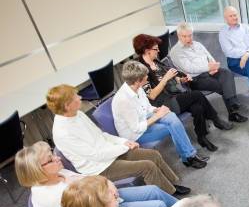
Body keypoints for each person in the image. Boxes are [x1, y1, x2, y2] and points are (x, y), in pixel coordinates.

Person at [48, 84, 189, 196]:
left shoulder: (76, 114)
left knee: (153, 155)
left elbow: (101, 135)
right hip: (99, 168)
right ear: (67, 105)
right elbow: (96, 155)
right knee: (147, 166)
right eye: (75, 97)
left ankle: (171, 185)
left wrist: (123, 142)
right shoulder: (63, 132)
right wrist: (124, 148)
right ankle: (168, 193)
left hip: (111, 152)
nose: (79, 97)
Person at [15, 141, 178, 207]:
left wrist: (108, 185)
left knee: (153, 190)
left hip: (103, 198)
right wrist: (109, 193)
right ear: (37, 170)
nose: (58, 159)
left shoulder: (57, 173)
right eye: (51, 159)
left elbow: (88, 179)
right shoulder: (52, 196)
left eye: (53, 154)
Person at [134, 34, 232, 152]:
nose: (158, 50)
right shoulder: (140, 69)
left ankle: (202, 137)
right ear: (146, 51)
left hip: (174, 95)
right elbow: (151, 95)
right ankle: (215, 119)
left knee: (198, 108)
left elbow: (172, 78)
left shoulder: (156, 62)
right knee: (197, 94)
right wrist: (166, 78)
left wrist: (181, 79)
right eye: (155, 48)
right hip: (163, 104)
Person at [112, 61, 208, 167]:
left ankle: (188, 156)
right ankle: (189, 156)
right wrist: (158, 115)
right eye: (145, 77)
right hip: (136, 134)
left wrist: (156, 110)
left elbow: (147, 107)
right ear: (137, 81)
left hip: (144, 118)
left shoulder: (136, 87)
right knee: (173, 126)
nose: (147, 78)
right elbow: (136, 128)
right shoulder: (123, 101)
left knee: (171, 117)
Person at [169, 22, 248, 123]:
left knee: (227, 74)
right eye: (184, 36)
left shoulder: (198, 44)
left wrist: (214, 66)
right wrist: (208, 68)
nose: (188, 39)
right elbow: (190, 68)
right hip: (195, 79)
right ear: (179, 35)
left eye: (190, 35)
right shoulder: (176, 51)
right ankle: (233, 112)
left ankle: (233, 104)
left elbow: (209, 57)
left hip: (209, 71)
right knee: (222, 84)